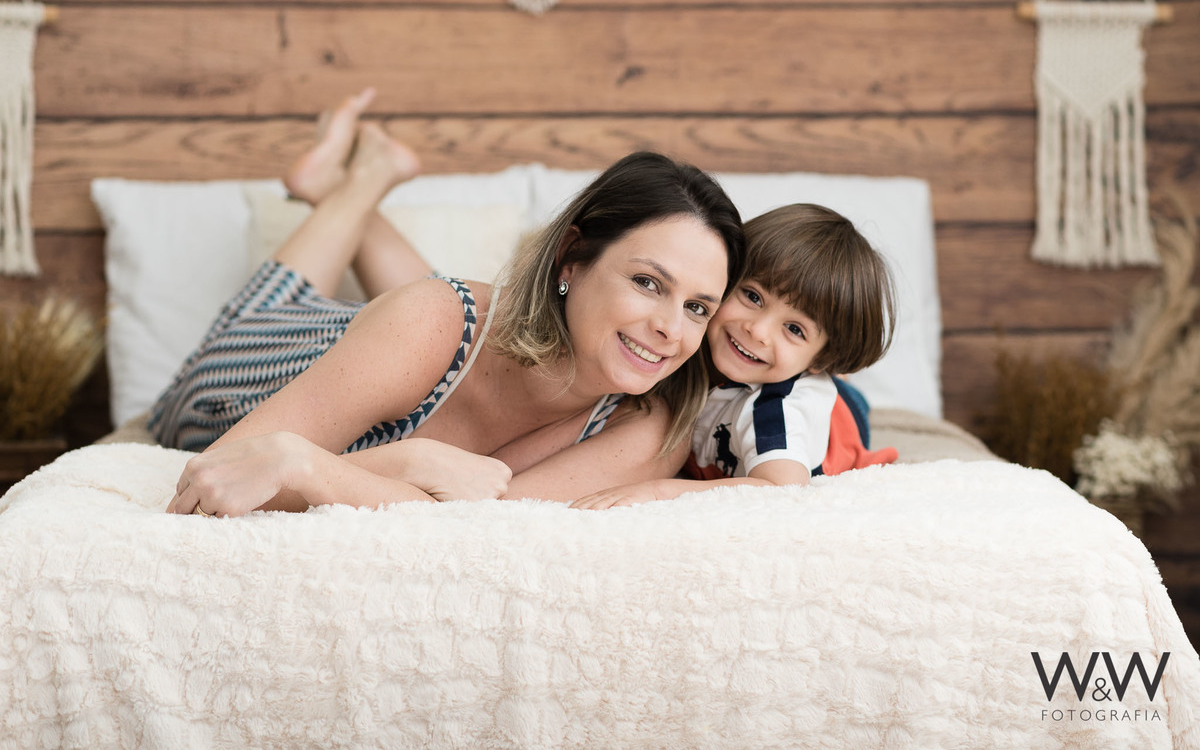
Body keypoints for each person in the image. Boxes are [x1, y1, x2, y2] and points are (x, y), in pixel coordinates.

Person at [157, 89, 745, 516]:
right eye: (648, 282)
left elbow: (474, 527)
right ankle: (355, 185)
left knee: (443, 317)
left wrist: (307, 464)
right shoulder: (432, 320)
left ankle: (344, 186)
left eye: (698, 306)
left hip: (418, 335)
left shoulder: (647, 429)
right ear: (572, 258)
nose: (671, 327)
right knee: (431, 313)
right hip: (252, 362)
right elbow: (225, 473)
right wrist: (405, 463)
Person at [570, 203, 898, 509]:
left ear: (823, 358)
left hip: (840, 423)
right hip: (762, 378)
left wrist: (658, 490)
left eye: (794, 329)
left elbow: (781, 491)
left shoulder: (776, 410)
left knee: (842, 403)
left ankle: (838, 383)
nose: (757, 330)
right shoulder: (690, 341)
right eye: (753, 296)